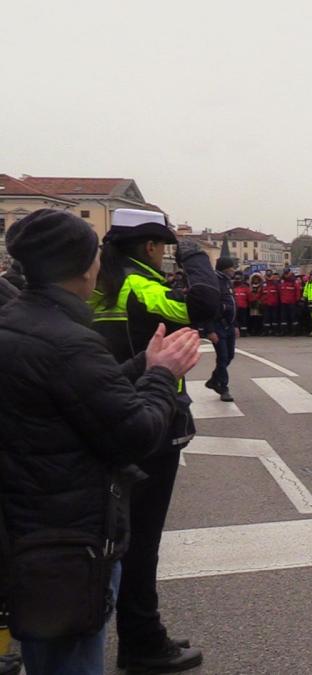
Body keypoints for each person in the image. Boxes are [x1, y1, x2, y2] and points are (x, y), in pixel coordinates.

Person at [1, 210, 201, 675]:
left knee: (46, 652)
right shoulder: (69, 342)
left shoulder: (19, 320)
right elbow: (135, 435)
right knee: (69, 658)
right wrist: (161, 375)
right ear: (83, 265)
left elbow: (80, 392)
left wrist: (138, 365)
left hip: (29, 524)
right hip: (68, 535)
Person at [89, 208, 216, 671]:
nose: (165, 255)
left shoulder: (97, 283)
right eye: (163, 247)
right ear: (149, 247)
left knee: (119, 534)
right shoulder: (137, 283)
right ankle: (142, 639)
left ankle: (137, 631)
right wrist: (197, 258)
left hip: (106, 411)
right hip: (149, 418)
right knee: (141, 540)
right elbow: (202, 307)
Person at [204, 257, 239, 402]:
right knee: (223, 357)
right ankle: (223, 388)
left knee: (229, 356)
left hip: (229, 326)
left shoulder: (227, 282)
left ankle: (213, 380)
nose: (234, 270)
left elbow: (233, 306)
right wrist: (210, 330)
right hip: (218, 326)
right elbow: (208, 308)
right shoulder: (214, 282)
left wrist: (236, 325)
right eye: (232, 267)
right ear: (225, 268)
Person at [279, 269, 302, 335]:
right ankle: (284, 331)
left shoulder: (294, 282)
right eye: (285, 273)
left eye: (287, 273)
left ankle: (295, 331)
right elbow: (280, 293)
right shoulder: (282, 283)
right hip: (284, 302)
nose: (286, 275)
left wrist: (297, 300)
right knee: (283, 317)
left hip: (292, 303)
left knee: (293, 317)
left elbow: (297, 292)